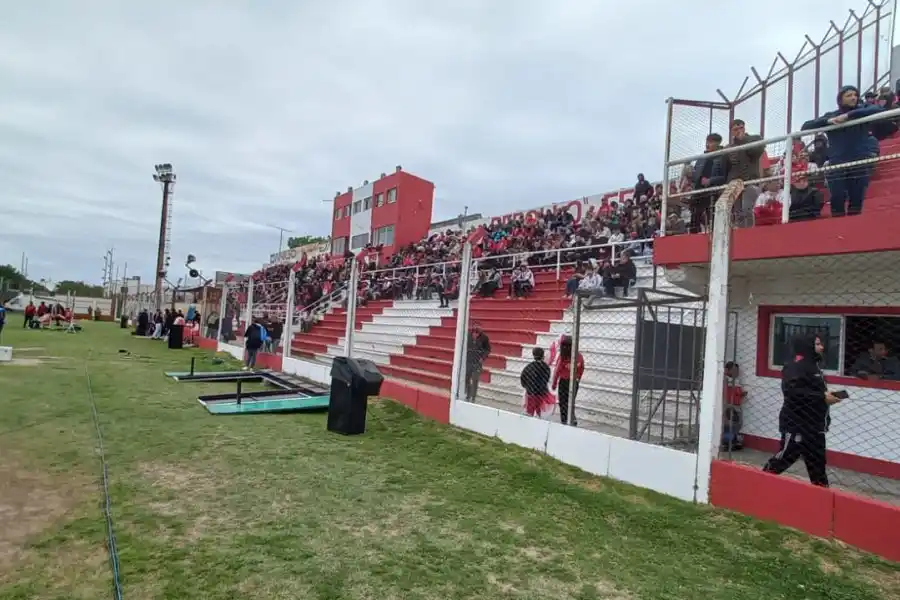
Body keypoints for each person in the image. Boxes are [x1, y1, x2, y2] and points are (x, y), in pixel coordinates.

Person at [762, 334, 843, 487]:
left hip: (816, 426)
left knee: (818, 465)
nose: (822, 347)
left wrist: (827, 396)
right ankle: (759, 483)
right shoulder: (795, 365)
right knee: (784, 458)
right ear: (808, 345)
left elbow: (810, 391)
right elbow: (792, 392)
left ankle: (821, 497)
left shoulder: (815, 366)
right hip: (797, 424)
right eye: (818, 344)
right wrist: (822, 397)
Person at [801, 85, 883, 217]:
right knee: (837, 196)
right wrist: (828, 121)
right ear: (840, 99)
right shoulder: (832, 115)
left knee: (856, 198)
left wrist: (848, 116)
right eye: (849, 95)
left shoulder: (863, 110)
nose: (853, 98)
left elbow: (878, 109)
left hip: (859, 161)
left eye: (855, 95)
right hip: (837, 162)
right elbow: (806, 126)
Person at [552, 336, 584, 426]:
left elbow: (557, 371)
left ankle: (565, 420)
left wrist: (554, 384)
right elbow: (582, 368)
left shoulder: (562, 357)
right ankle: (572, 418)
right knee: (570, 402)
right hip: (574, 382)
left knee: (563, 402)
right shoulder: (579, 356)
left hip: (564, 381)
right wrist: (578, 378)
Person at [521, 347, 555, 419]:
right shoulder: (546, 367)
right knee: (539, 410)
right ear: (543, 356)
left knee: (530, 410)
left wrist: (526, 386)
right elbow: (546, 379)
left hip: (531, 392)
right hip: (541, 393)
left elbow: (523, 377)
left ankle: (530, 419)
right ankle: (539, 418)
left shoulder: (529, 366)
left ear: (533, 355)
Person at [465, 324, 491, 401]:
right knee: (467, 378)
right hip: (468, 361)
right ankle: (468, 395)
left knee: (475, 379)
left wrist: (482, 358)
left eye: (477, 333)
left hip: (477, 363)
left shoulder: (484, 338)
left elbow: (488, 349)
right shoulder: (468, 336)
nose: (475, 335)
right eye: (474, 333)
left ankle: (473, 397)